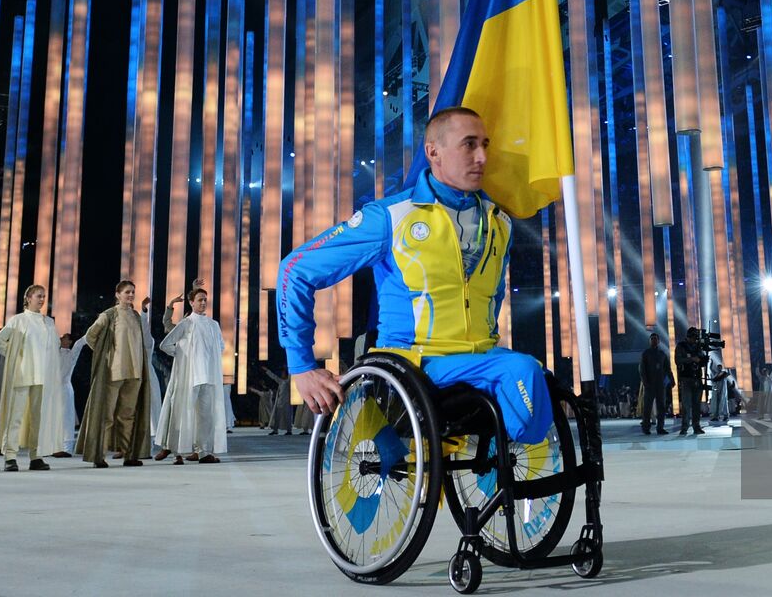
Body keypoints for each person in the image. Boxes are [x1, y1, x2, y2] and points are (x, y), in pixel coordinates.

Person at [277, 107, 553, 445]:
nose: (482, 157)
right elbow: (295, 269)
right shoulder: (391, 217)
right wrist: (302, 366)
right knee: (522, 372)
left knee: (542, 378)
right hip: (415, 363)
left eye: (485, 144)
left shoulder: (499, 223)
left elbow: (492, 301)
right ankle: (420, 449)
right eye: (469, 144)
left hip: (481, 360)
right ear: (433, 152)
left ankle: (488, 467)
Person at [79, 281, 154, 467]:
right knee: (107, 415)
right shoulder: (109, 315)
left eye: (133, 292)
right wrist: (104, 353)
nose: (130, 295)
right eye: (127, 292)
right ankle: (100, 455)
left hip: (135, 371)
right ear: (117, 294)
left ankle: (129, 454)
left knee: (128, 415)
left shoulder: (136, 316)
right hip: (115, 370)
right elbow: (90, 336)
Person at [154, 285, 229, 465]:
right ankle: (177, 453)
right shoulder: (186, 323)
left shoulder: (213, 324)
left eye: (205, 300)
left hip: (208, 377)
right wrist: (182, 354)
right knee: (182, 413)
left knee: (205, 416)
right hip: (190, 376)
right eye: (199, 300)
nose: (203, 303)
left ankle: (204, 452)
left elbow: (221, 347)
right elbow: (165, 344)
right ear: (191, 303)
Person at [0, 285, 64, 472]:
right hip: (22, 375)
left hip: (43, 377)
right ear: (28, 298)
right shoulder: (18, 320)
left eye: (44, 296)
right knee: (15, 416)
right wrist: (16, 356)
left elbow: (54, 346)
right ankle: (10, 456)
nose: (42, 300)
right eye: (38, 296)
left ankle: (36, 456)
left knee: (38, 418)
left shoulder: (48, 322)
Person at [54, 332, 89, 457]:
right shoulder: (53, 352)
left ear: (69, 342)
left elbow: (81, 342)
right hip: (53, 390)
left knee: (66, 417)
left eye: (65, 338)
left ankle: (67, 448)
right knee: (53, 418)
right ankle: (53, 446)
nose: (62, 338)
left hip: (64, 389)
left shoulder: (72, 353)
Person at [675, 329, 707, 435]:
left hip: (697, 377)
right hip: (686, 378)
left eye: (696, 337)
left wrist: (703, 359)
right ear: (689, 336)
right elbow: (678, 360)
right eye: (694, 337)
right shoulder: (681, 346)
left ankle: (696, 426)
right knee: (686, 405)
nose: (695, 339)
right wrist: (692, 359)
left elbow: (702, 361)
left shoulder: (698, 346)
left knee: (696, 405)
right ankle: (684, 427)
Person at [639, 333, 671, 435]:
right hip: (649, 385)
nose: (654, 340)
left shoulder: (662, 354)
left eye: (655, 339)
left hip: (660, 385)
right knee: (647, 408)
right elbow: (642, 369)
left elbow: (667, 368)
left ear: (659, 341)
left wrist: (672, 380)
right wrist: (645, 382)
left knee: (661, 407)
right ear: (649, 341)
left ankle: (660, 427)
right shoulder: (646, 354)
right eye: (652, 339)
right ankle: (646, 427)